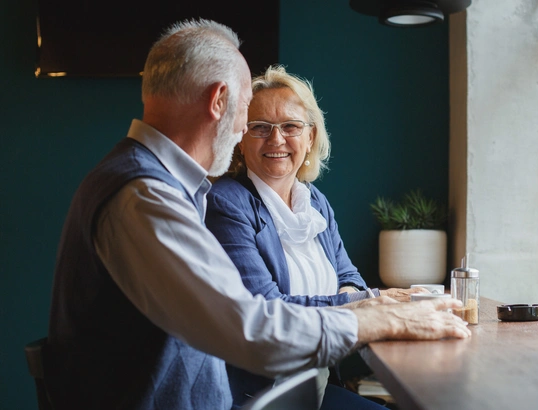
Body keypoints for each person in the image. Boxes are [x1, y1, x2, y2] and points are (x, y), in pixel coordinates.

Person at [45, 18, 470, 410]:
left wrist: (368, 306)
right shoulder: (145, 196)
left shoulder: (160, 186)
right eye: (250, 115)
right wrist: (381, 316)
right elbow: (249, 328)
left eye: (290, 126)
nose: (251, 134)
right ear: (220, 101)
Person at [204, 65, 426, 408]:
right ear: (241, 139)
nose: (276, 139)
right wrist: (362, 303)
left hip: (316, 383)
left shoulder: (315, 202)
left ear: (310, 137)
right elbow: (267, 308)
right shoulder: (227, 203)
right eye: (260, 127)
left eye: (290, 126)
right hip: (265, 395)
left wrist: (355, 296)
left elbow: (348, 275)